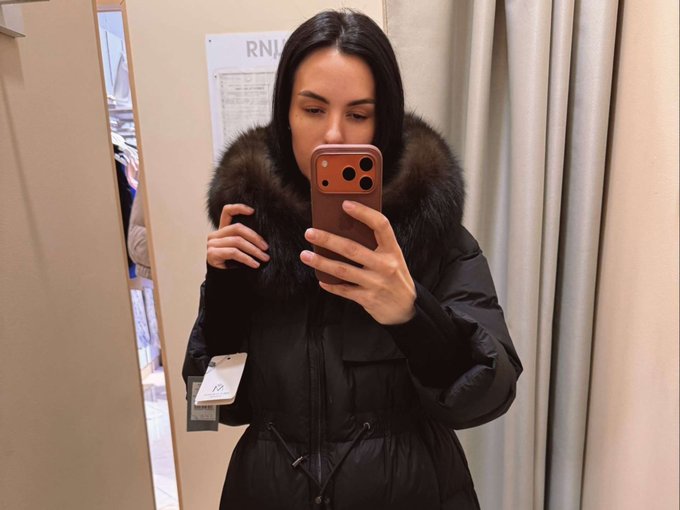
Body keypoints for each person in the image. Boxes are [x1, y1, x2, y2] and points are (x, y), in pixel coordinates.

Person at [183, 9, 522, 510]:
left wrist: (412, 315)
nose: (334, 136)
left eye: (358, 114)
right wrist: (224, 299)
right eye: (313, 109)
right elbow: (209, 411)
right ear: (284, 114)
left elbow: (488, 401)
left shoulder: (438, 239)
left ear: (384, 120)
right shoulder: (250, 238)